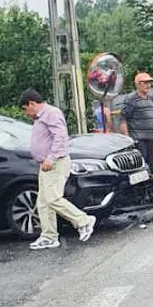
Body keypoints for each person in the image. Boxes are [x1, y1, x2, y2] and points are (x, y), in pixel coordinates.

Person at [19, 89, 96, 250]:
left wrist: (51, 158)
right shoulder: (41, 117)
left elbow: (60, 137)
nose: (27, 114)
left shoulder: (51, 113)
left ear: (32, 103)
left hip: (55, 163)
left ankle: (83, 220)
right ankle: (49, 235)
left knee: (53, 199)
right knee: (43, 202)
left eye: (26, 109)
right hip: (46, 164)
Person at [119, 72, 153, 171]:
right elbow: (123, 119)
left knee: (151, 167)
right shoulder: (131, 99)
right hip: (139, 140)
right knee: (141, 167)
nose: (148, 85)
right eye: (145, 82)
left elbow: (152, 121)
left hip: (150, 139)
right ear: (137, 84)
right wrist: (127, 140)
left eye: (149, 82)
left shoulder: (150, 99)